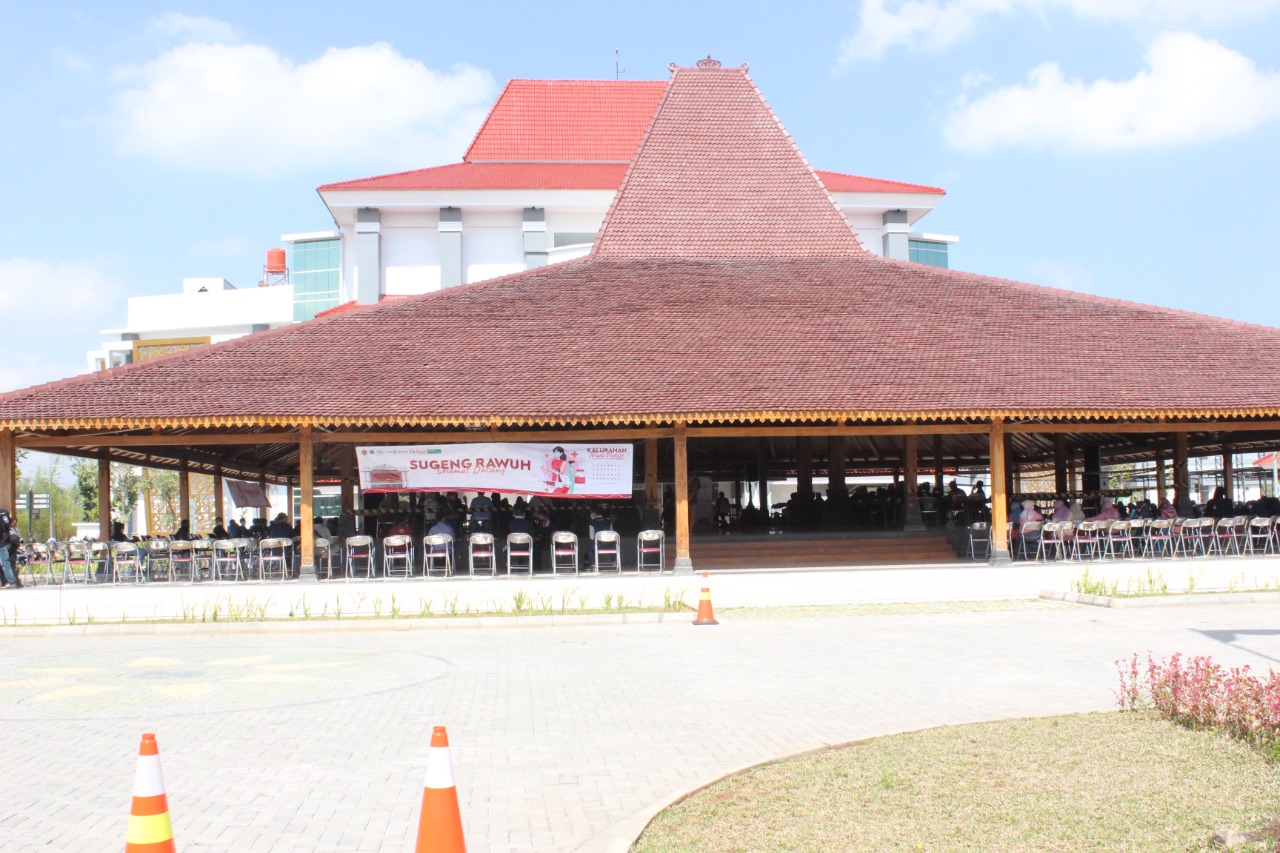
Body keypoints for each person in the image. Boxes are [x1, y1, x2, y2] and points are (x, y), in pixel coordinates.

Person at [0, 509, 20, 588]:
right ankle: (9, 581)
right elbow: (9, 522)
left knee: (5, 563)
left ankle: (11, 581)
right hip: (5, 541)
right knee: (6, 562)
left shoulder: (2, 513)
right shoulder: (5, 512)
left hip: (2, 541)